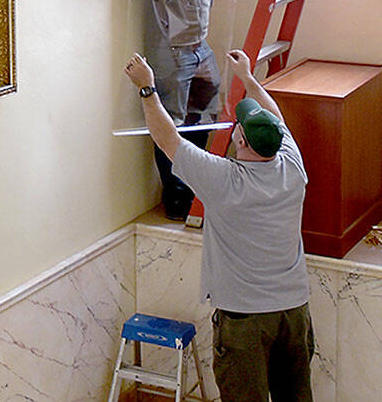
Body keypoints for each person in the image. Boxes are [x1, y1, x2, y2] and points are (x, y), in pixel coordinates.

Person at [124, 48, 314, 402]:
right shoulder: (291, 165)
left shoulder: (224, 181)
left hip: (244, 322)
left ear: (239, 140)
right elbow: (277, 118)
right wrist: (248, 78)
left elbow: (168, 139)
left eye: (239, 125)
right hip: (294, 313)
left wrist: (147, 88)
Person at [116, 0, 256, 220]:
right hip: (170, 51)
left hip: (201, 45)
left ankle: (200, 185)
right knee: (172, 125)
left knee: (205, 117)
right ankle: (177, 201)